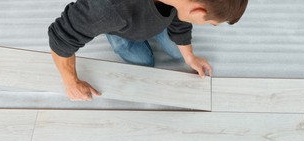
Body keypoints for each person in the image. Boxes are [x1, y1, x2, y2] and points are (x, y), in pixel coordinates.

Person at [48, 0, 248, 101]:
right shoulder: (109, 9)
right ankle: (114, 35)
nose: (209, 25)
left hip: (159, 15)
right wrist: (70, 82)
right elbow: (60, 37)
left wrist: (189, 56)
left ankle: (160, 29)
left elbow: (181, 17)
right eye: (211, 23)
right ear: (197, 11)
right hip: (122, 25)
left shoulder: (184, 5)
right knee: (143, 63)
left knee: (178, 52)